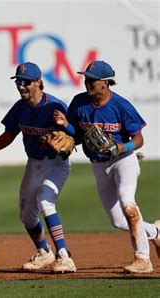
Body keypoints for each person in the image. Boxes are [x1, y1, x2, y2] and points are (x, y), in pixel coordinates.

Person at [0, 62, 76, 273]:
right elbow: (7, 137)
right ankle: (44, 252)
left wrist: (67, 127)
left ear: (38, 82)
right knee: (26, 215)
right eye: (18, 81)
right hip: (34, 164)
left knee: (45, 201)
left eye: (26, 82)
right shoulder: (20, 108)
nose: (21, 86)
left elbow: (75, 137)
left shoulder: (55, 106)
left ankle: (64, 255)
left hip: (56, 164)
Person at [55, 60, 160, 273]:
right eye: (86, 79)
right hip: (98, 165)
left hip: (124, 161)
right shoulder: (79, 102)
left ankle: (143, 259)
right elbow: (77, 135)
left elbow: (139, 140)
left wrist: (121, 147)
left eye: (92, 80)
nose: (88, 83)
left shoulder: (121, 106)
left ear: (105, 83)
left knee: (128, 203)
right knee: (119, 221)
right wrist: (66, 128)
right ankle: (156, 233)